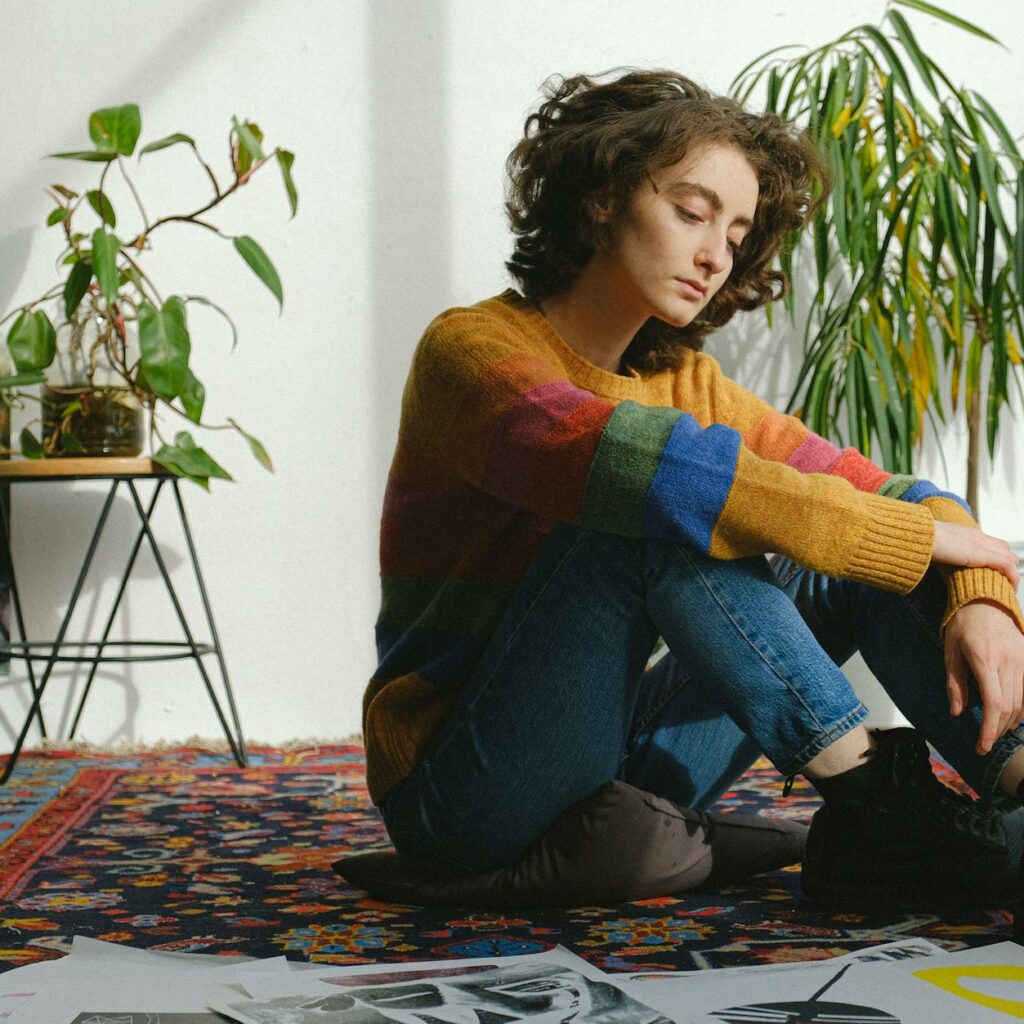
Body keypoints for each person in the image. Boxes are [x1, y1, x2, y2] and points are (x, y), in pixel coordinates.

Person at [362, 68, 1024, 910]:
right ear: (601, 197)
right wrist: (918, 538)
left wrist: (978, 596)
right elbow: (648, 470)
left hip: (616, 754)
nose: (717, 256)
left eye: (738, 232)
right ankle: (881, 810)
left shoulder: (682, 379)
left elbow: (897, 492)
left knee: (841, 557)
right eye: (691, 211)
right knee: (657, 509)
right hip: (464, 788)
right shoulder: (471, 354)